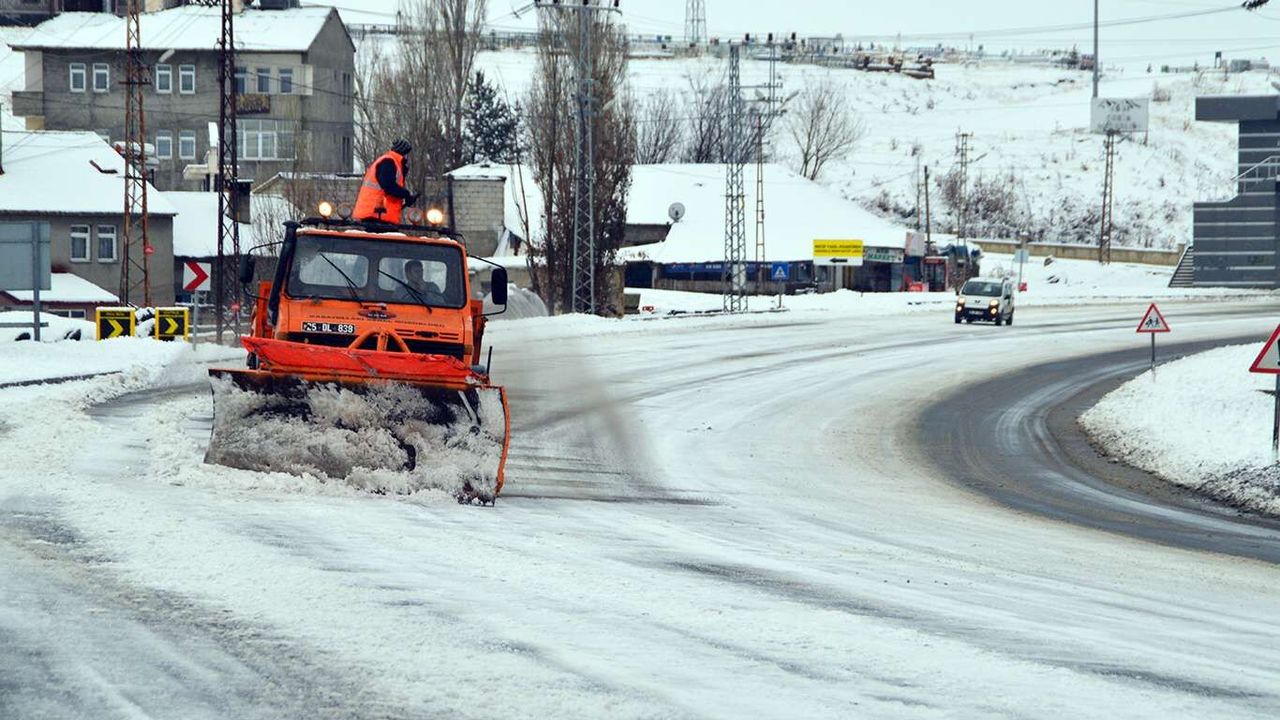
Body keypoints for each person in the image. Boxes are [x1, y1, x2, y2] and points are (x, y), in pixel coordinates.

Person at [354, 139, 419, 224]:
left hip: (376, 214)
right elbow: (389, 186)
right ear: (404, 153)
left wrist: (406, 196)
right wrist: (406, 195)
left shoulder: (389, 161)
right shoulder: (389, 162)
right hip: (377, 214)